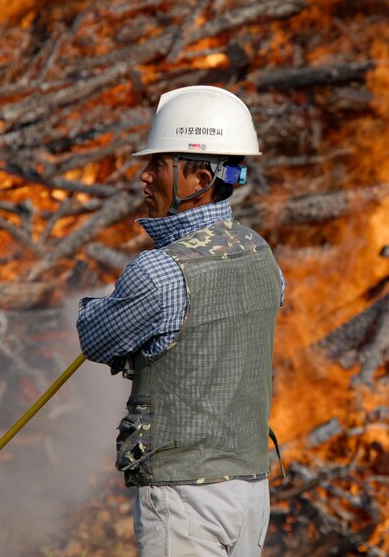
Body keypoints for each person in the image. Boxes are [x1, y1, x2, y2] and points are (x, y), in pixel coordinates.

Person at [76, 85, 284, 557]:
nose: (144, 177)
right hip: (251, 492)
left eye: (159, 164)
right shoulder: (260, 253)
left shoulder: (160, 271)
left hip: (185, 498)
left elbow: (95, 338)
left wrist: (106, 302)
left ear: (200, 178)